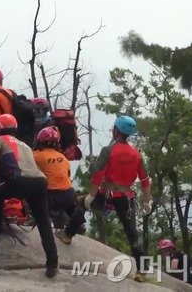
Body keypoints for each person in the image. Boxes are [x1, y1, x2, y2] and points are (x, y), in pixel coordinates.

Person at [55, 115, 151, 283]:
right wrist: (146, 201)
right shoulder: (136, 153)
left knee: (81, 204)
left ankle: (67, 235)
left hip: (105, 194)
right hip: (126, 198)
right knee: (132, 233)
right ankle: (142, 272)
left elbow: (98, 173)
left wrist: (91, 196)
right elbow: (144, 179)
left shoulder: (109, 150)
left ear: (116, 130)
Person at [0, 114, 59, 278]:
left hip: (19, 180)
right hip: (40, 182)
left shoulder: (0, 139)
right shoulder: (25, 145)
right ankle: (52, 263)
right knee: (44, 222)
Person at [33, 126, 75, 229]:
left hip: (49, 196)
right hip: (69, 194)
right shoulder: (63, 158)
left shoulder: (36, 156)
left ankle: (32, 216)